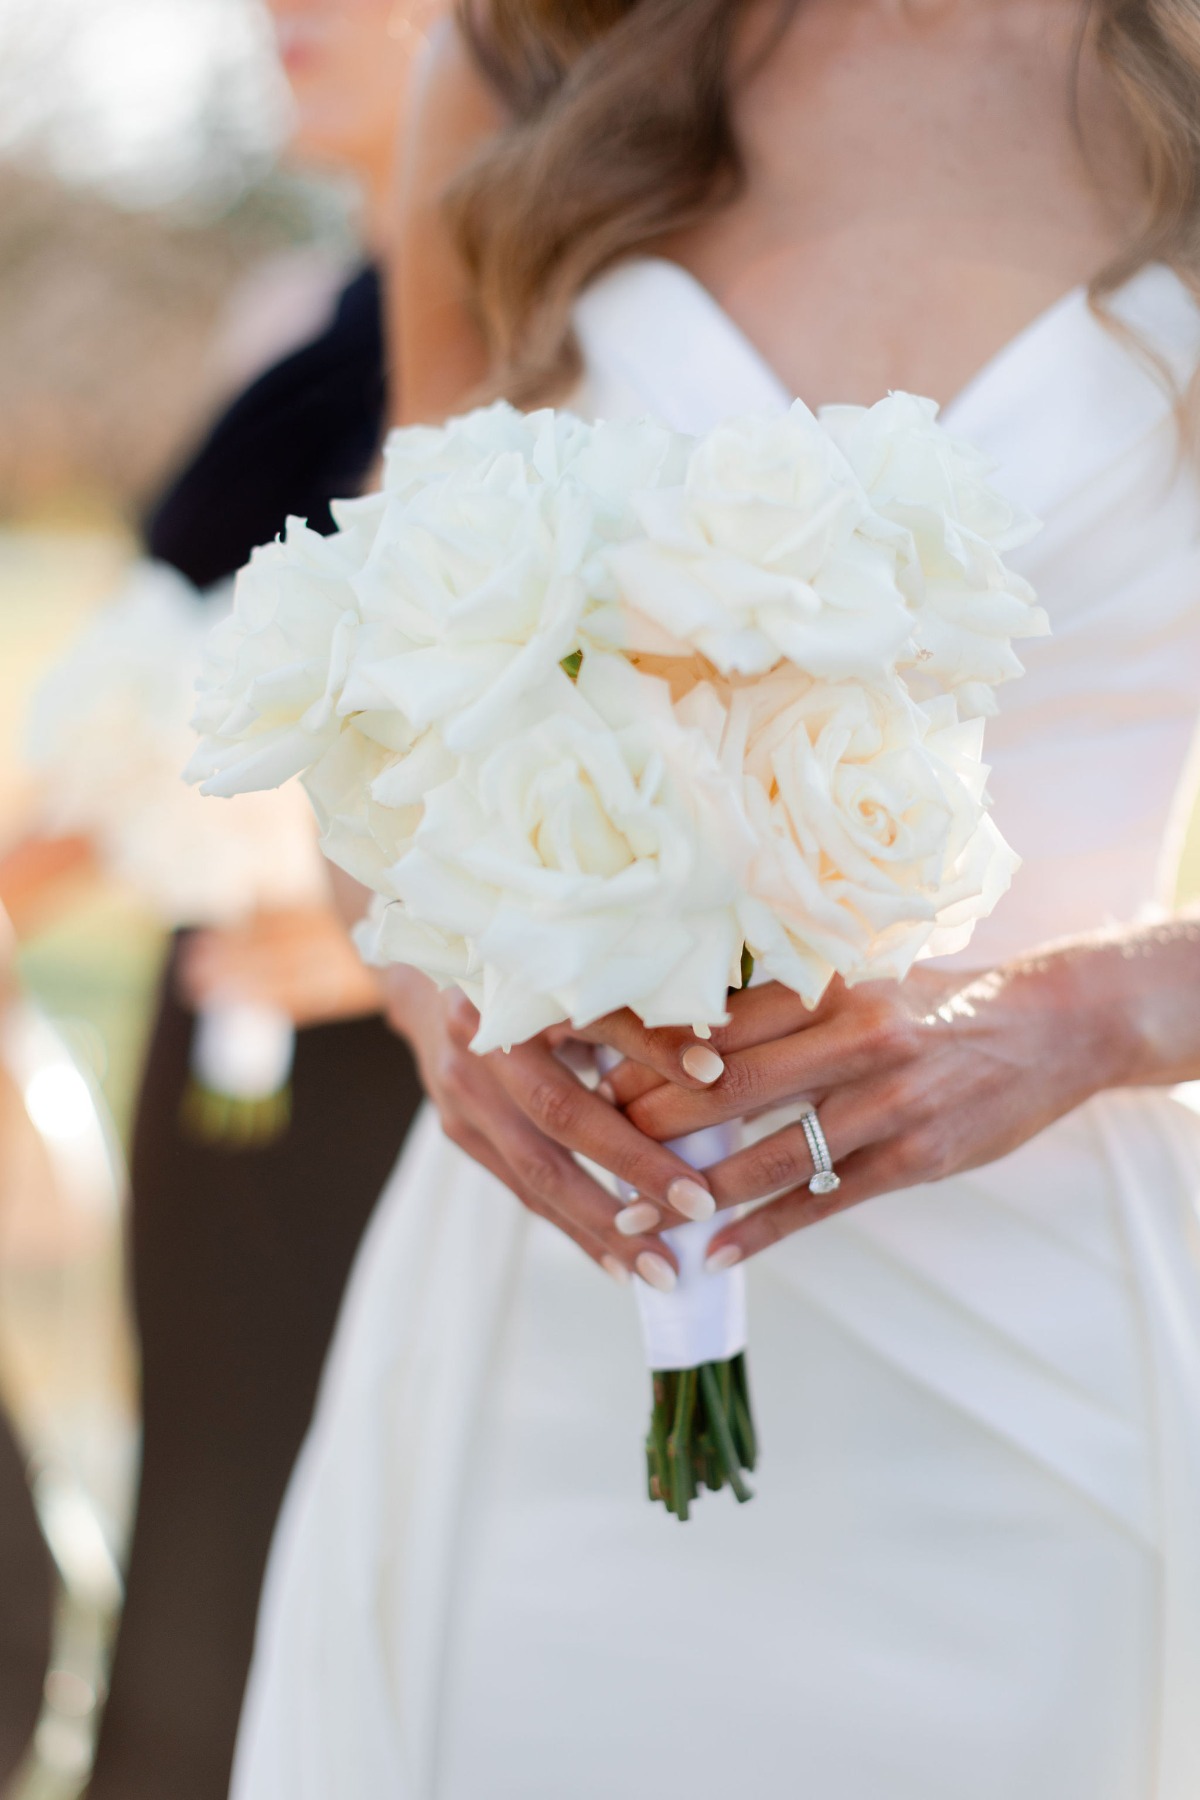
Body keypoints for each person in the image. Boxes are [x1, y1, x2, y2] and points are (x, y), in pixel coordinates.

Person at [233, 2, 1200, 1795]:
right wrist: (435, 991)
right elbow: (378, 677)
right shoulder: (529, 54)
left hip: (1041, 1362)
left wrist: (1088, 1014)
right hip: (553, 1329)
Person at [81, 7, 436, 1799]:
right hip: (213, 1034)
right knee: (193, 1546)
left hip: (395, 1054)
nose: (286, 13)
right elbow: (155, 685)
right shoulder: (286, 322)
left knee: (309, 1571)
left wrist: (387, 936)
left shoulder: (575, 318)